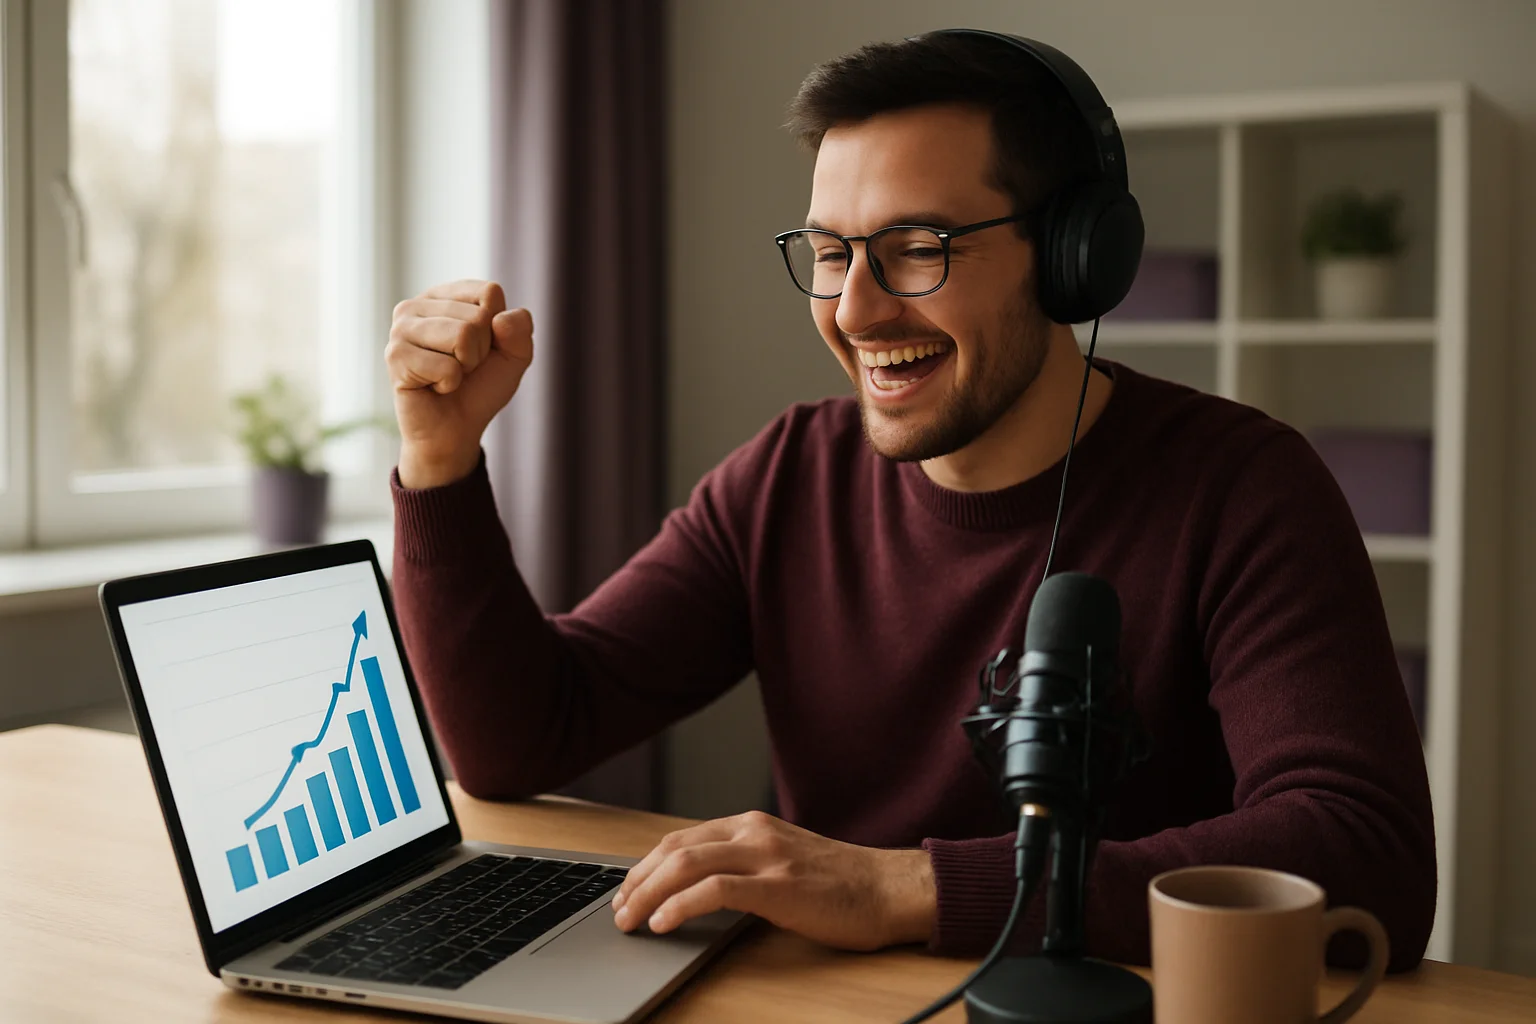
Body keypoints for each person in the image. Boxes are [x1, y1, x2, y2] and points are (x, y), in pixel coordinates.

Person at [383, 31, 1434, 970]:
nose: (854, 308)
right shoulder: (789, 474)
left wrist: (897, 886)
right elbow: (516, 738)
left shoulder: (1244, 487)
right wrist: (440, 460)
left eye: (918, 249)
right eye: (832, 253)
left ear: (1074, 257)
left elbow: (1362, 850)